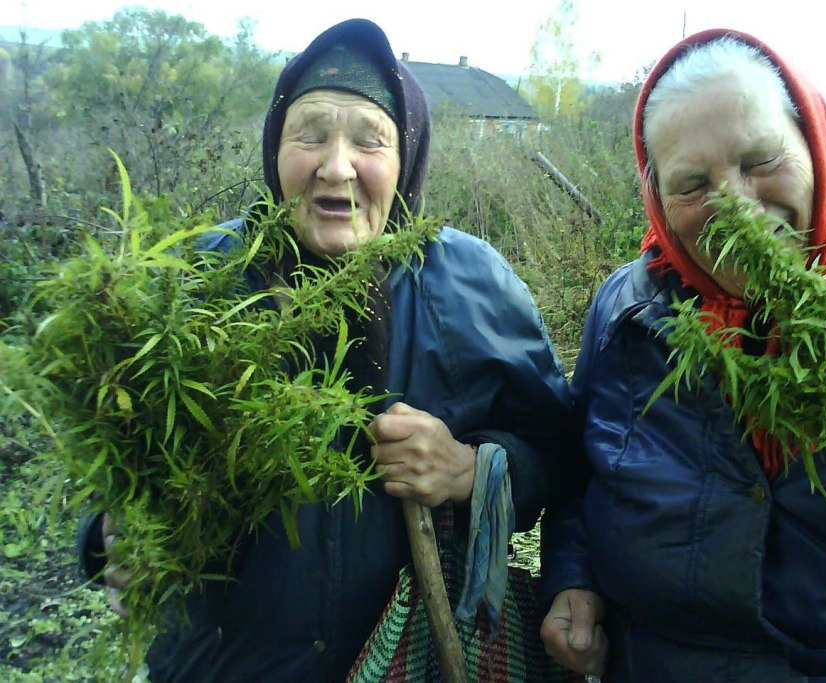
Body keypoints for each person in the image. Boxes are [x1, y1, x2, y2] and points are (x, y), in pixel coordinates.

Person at [77, 18, 573, 682]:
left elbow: (563, 455)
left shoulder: (472, 286)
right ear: (275, 149)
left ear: (407, 159)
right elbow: (117, 457)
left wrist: (466, 468)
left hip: (410, 660)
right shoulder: (197, 283)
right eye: (309, 134)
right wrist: (110, 531)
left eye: (369, 140)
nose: (336, 166)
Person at [539, 29, 826, 682]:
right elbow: (578, 475)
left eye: (760, 158)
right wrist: (573, 578)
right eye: (692, 183)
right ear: (657, 200)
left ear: (816, 143)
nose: (736, 206)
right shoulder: (626, 313)